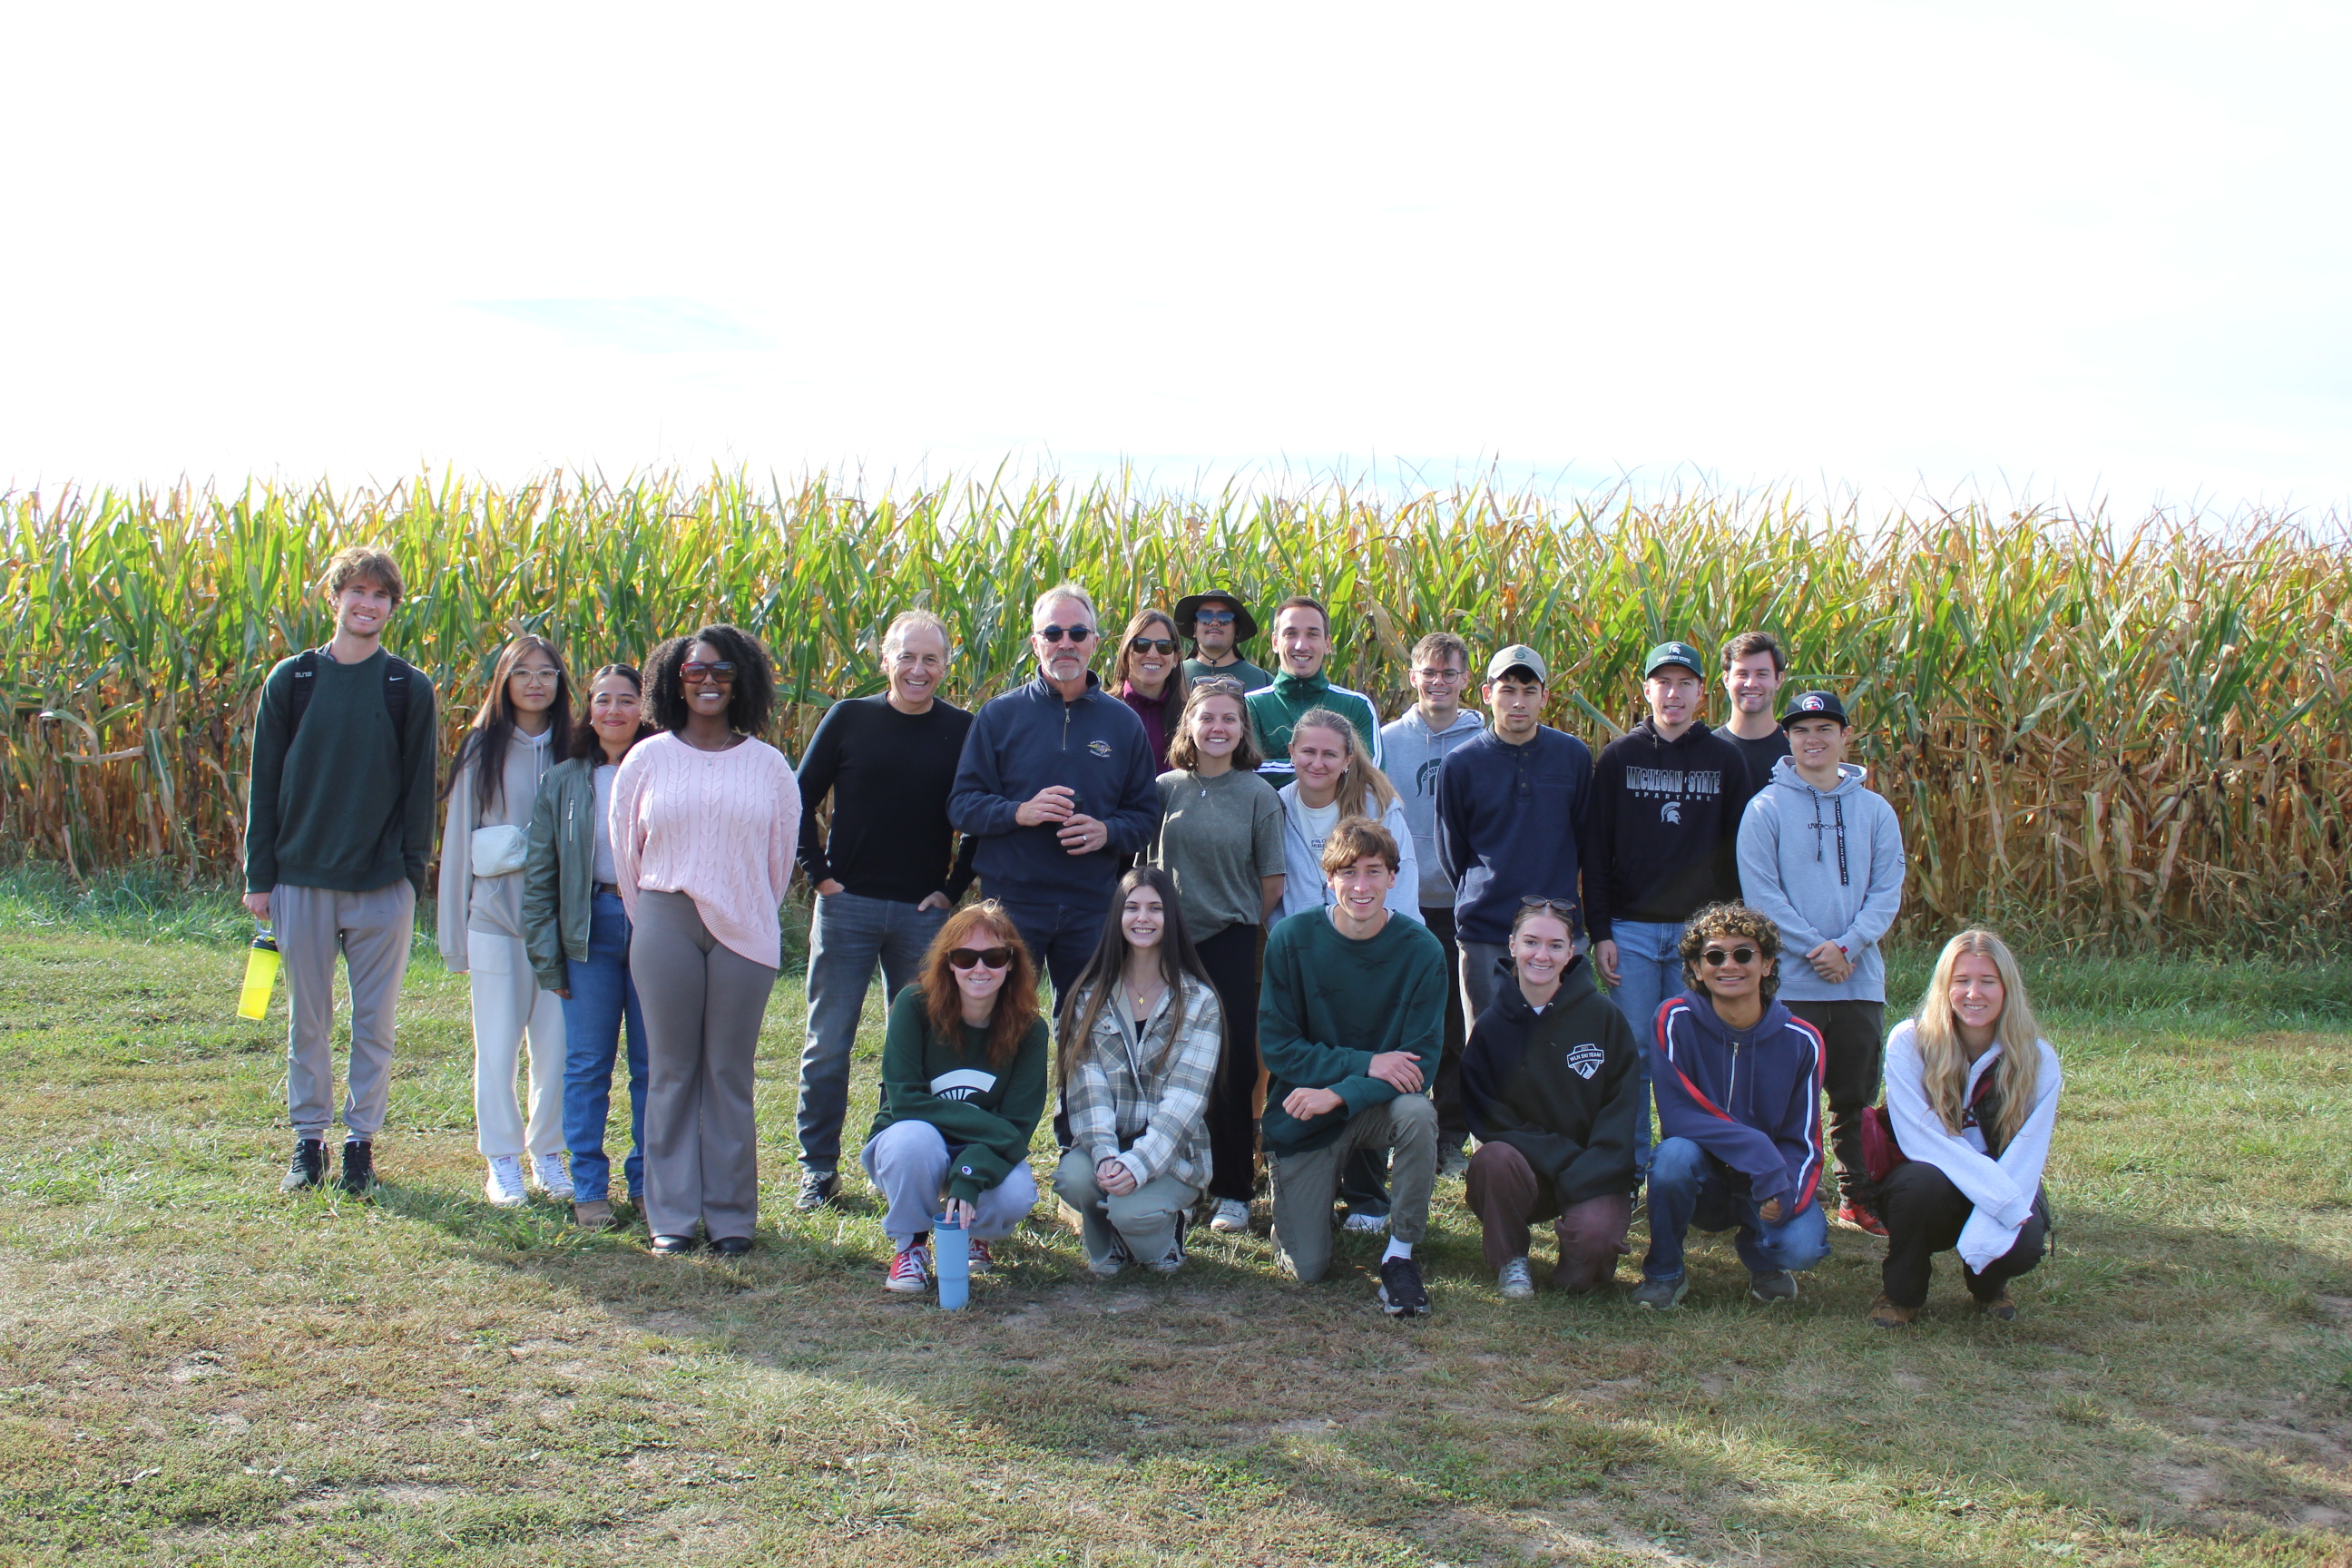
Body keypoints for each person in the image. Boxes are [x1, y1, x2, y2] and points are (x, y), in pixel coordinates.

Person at [243, 544, 437, 1197]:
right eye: (357, 591)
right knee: (309, 1019)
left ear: (391, 607)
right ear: (334, 598)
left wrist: (411, 876)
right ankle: (308, 1142)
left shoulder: (407, 687)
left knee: (374, 1021)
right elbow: (264, 780)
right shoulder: (292, 680)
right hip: (301, 879)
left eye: (381, 595)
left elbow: (418, 790)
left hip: (381, 885)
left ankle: (360, 1143)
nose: (368, 604)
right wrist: (259, 875)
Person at [611, 626, 801, 1257]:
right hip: (665, 916)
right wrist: (659, 917)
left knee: (727, 1072)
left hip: (745, 927)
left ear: (742, 679)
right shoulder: (647, 759)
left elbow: (778, 863)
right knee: (670, 1071)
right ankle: (671, 1218)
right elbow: (626, 857)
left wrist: (742, 911)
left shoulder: (770, 766)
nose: (709, 682)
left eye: (722, 671)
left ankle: (730, 1220)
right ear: (674, 680)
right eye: (695, 672)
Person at [791, 609, 978, 1212]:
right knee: (829, 1043)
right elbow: (797, 797)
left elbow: (978, 815)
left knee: (918, 1050)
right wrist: (818, 877)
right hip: (847, 907)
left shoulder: (962, 730)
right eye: (907, 656)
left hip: (923, 914)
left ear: (946, 665)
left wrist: (953, 888)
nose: (917, 670)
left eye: (930, 659)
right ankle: (817, 1168)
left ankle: (892, 1160)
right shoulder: (851, 718)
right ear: (886, 661)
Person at [1259, 817, 1449, 1315]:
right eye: (1347, 872)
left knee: (1418, 1113)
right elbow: (1279, 1049)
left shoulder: (1423, 951)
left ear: (1394, 877)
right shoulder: (1291, 940)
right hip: (1304, 1112)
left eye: (1374, 871)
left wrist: (1340, 1092)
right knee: (1307, 1269)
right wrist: (1368, 1064)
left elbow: (1420, 1067)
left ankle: (1400, 1254)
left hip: (1361, 1107)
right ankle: (1301, 1205)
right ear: (1328, 877)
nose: (1360, 886)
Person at [1584, 639, 1760, 1171]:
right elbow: (1595, 853)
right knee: (1635, 1052)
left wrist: (1730, 937)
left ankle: (1695, 1169)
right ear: (1646, 690)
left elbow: (1739, 854)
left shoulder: (1724, 761)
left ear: (1702, 692)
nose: (1674, 693)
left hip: (1701, 935)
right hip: (1631, 931)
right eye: (1663, 682)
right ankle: (1635, 1167)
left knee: (1695, 1054)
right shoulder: (1619, 759)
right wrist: (1601, 933)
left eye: (1685, 682)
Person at [1736, 690, 1906, 1236]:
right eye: (1803, 730)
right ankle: (1787, 1194)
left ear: (1844, 736)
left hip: (1858, 982)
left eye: (1825, 729)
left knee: (1854, 1099)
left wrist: (1849, 947)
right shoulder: (1764, 809)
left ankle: (1857, 1197)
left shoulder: (1875, 810)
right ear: (1787, 738)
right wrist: (1816, 949)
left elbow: (1887, 889)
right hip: (1793, 982)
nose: (1814, 740)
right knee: (1786, 1098)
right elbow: (1761, 894)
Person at [950, 583, 1161, 997]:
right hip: (1010, 905)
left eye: (1078, 634)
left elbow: (1144, 818)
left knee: (1088, 1027)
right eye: (1053, 634)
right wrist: (1020, 811)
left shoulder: (1123, 723)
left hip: (1092, 906)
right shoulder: (999, 715)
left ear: (1095, 642)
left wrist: (1107, 832)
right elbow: (961, 806)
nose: (1066, 643)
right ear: (1036, 643)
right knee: (1002, 1020)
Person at [1633, 904, 1831, 1309]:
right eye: (1714, 956)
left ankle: (1763, 1257)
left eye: (1743, 954)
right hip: (1703, 1174)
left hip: (1767, 1181)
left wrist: (1784, 1191)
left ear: (1768, 965)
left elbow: (1805, 1138)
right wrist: (1762, 1156)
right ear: (1696, 967)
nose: (1729, 965)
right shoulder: (1674, 1019)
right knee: (1671, 1157)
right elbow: (1680, 1114)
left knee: (1802, 1247)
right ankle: (1664, 1273)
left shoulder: (1803, 1040)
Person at [1146, 678, 1286, 1236]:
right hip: (1165, 940)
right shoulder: (1163, 789)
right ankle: (1177, 1180)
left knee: (1232, 1066)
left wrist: (1238, 918)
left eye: (1230, 719)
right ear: (1189, 725)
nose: (1218, 728)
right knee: (1170, 1060)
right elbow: (1141, 863)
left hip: (1230, 939)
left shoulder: (1257, 795)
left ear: (1242, 730)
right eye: (1207, 718)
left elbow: (1271, 879)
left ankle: (1233, 1189)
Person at [440, 636, 573, 1208]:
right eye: (522, 673)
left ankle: (548, 1153)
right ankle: (501, 1159)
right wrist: (453, 936)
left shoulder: (578, 748)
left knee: (558, 1048)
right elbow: (456, 845)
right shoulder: (480, 750)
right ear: (504, 681)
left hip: (564, 929)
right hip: (494, 921)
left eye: (547, 673)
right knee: (495, 1047)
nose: (536, 683)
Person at [1869, 929, 2060, 1327]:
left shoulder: (2038, 1058)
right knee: (1917, 1187)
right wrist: (1994, 1195)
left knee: (2021, 1245)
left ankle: (1989, 1286)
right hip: (1931, 1178)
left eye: (1987, 981)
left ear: (2007, 987)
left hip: (2002, 1176)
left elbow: (2029, 1149)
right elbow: (1918, 1135)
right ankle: (1902, 1294)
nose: (1974, 993)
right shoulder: (1910, 1042)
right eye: (1962, 981)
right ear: (1945, 986)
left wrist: (2004, 1207)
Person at [524, 662, 656, 1231]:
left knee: (655, 1067)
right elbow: (540, 874)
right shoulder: (565, 778)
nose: (613, 712)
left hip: (655, 926)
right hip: (590, 929)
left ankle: (651, 1184)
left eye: (626, 700)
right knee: (586, 1066)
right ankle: (588, 1187)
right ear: (588, 709)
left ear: (643, 709)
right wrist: (547, 954)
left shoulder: (662, 768)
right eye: (602, 700)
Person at [1277, 707, 1420, 1231]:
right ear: (1290, 755)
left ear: (1347, 759)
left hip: (1373, 954)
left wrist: (1383, 950)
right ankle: (1304, 1167)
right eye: (1307, 751)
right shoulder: (1278, 805)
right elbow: (1276, 885)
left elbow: (1399, 891)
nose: (1317, 762)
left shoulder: (1380, 807)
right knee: (1314, 1059)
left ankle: (1367, 1194)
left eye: (1328, 753)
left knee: (1375, 1055)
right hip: (1302, 960)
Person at [1436, 642, 1595, 1105]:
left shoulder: (1572, 757)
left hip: (1559, 931)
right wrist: (1485, 896)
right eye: (1507, 690)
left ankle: (1556, 1150)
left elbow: (1584, 838)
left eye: (1529, 690)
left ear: (1545, 696)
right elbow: (1454, 853)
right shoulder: (1462, 764)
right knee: (1489, 1045)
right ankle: (1493, 1156)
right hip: (1486, 932)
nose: (1518, 702)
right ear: (1487, 694)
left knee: (1562, 1044)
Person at [862, 902, 1050, 1294]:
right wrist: (992, 1128)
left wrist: (968, 1174)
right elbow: (907, 1104)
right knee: (914, 1140)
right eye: (965, 957)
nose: (979, 969)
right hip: (911, 1139)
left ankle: (971, 1230)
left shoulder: (1030, 1031)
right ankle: (911, 1245)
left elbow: (1016, 1130)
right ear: (948, 962)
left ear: (1011, 963)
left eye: (994, 957)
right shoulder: (913, 1006)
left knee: (1016, 1192)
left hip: (982, 1149)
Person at [1458, 900, 1641, 1300]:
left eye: (1555, 945)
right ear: (1512, 945)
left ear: (1571, 952)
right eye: (1531, 942)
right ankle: (1511, 1258)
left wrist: (1592, 1168)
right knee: (1492, 1159)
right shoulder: (1491, 1026)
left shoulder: (1603, 1016)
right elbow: (1487, 1114)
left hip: (1594, 1169)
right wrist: (1560, 1159)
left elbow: (1623, 1104)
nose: (1542, 955)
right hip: (1529, 1172)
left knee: (1584, 1270)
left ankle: (1581, 1253)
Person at [1051, 868, 1225, 1277]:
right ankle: (1106, 1245)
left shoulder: (1200, 1002)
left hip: (1172, 1152)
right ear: (1117, 916)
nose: (1142, 918)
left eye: (1155, 908)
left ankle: (1164, 1241)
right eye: (1131, 907)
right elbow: (1085, 1086)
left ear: (1172, 919)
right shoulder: (1088, 998)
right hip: (1106, 1144)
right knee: (1074, 1179)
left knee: (1134, 1216)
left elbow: (1186, 1100)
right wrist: (1108, 1156)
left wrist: (1138, 1165)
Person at [1379, 632, 1485, 1173]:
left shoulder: (1484, 740)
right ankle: (1401, 1125)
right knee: (1412, 1017)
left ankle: (1453, 1131)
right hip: (1404, 903)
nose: (1438, 683)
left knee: (1460, 1021)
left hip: (1465, 903)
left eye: (1450, 674)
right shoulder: (1387, 741)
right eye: (1429, 673)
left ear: (1466, 680)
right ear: (1413, 677)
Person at [1244, 596, 1383, 779]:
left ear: (1327, 644)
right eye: (1291, 634)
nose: (1301, 645)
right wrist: (1332, 768)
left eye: (1312, 634)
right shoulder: (1249, 706)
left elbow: (1370, 774)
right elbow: (1244, 773)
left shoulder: (1356, 706)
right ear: (1275, 642)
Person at [1111, 608, 1190, 769]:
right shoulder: (1100, 711)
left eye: (1164, 647)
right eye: (1142, 645)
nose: (1153, 654)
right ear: (1126, 653)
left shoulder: (1190, 718)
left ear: (1176, 658)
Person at [1720, 632, 1791, 785]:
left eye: (1762, 674)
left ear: (1778, 680)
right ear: (1726, 679)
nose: (1751, 683)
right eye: (1742, 674)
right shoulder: (1707, 751)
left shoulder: (1795, 752)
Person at [1174, 589, 1272, 691]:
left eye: (1224, 618)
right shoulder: (1173, 675)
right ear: (1194, 628)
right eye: (1205, 617)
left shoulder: (1263, 681)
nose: (1214, 623)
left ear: (1236, 630)